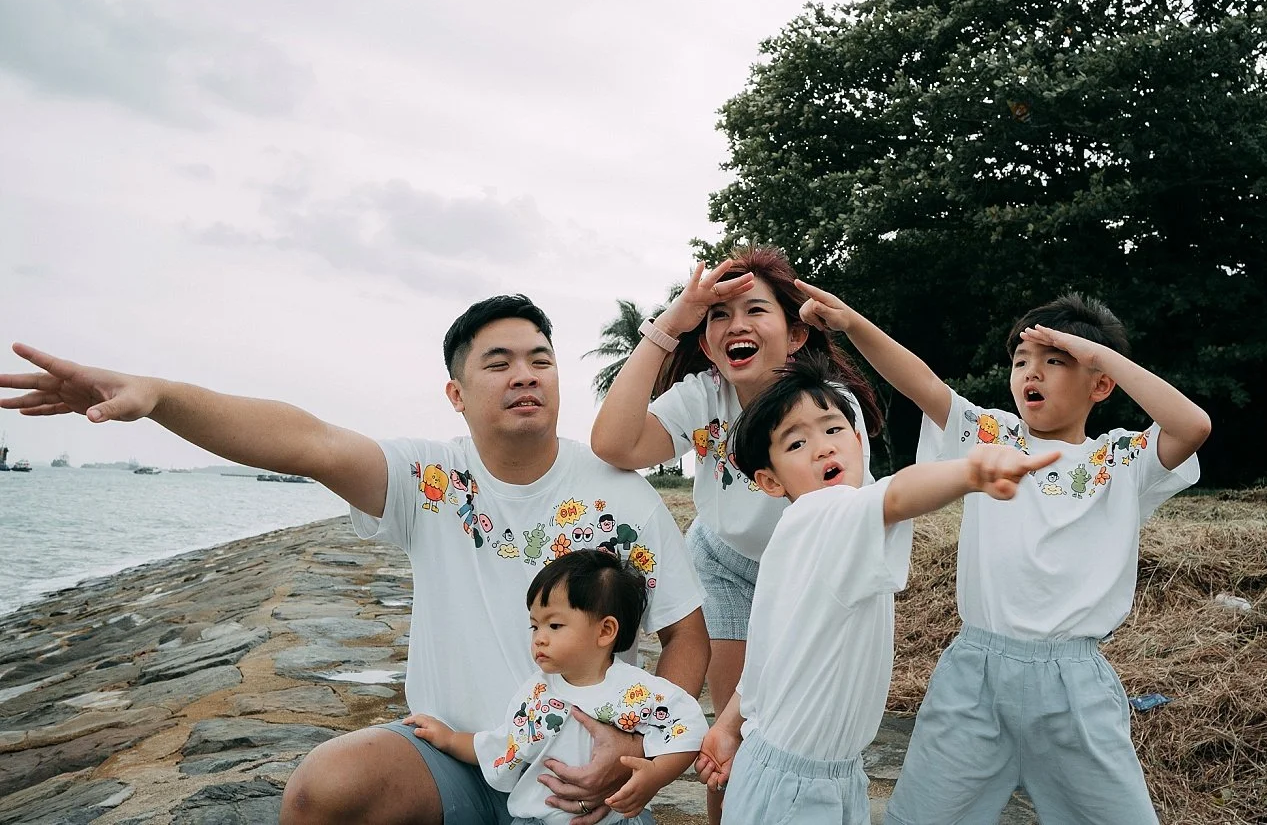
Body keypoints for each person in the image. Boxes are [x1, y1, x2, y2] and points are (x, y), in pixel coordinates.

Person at [0, 294, 710, 825]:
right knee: (322, 790)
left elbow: (686, 634)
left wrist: (627, 742)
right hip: (449, 757)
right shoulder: (429, 481)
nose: (525, 375)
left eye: (540, 360)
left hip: (577, 775)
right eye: (499, 363)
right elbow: (304, 441)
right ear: (456, 396)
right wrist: (158, 397)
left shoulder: (624, 498)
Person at [794, 284, 1212, 825]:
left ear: (1101, 383)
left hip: (1073, 688)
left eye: (1055, 361)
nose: (1029, 373)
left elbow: (1193, 426)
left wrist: (1099, 352)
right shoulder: (990, 436)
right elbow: (922, 385)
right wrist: (854, 323)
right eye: (1020, 361)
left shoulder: (1121, 459)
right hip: (975, 678)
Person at [691, 357, 1060, 824]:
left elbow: (766, 661)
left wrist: (727, 726)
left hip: (824, 771)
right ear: (770, 480)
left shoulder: (806, 536)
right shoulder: (821, 515)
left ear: (858, 437)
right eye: (797, 442)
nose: (823, 449)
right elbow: (899, 492)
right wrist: (971, 472)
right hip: (794, 787)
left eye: (834, 429)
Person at [590, 247, 882, 824]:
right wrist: (673, 322)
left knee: (790, 720)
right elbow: (614, 443)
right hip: (724, 562)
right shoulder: (706, 396)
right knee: (734, 727)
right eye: (719, 316)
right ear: (705, 343)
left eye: (755, 310)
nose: (736, 326)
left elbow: (844, 518)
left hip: (814, 571)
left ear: (796, 334)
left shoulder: (828, 409)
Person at [405, 549, 707, 824]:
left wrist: (655, 774)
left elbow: (688, 727)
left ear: (605, 631)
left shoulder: (635, 691)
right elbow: (502, 744)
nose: (539, 638)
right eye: (534, 626)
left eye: (554, 625)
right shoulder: (536, 694)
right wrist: (448, 739)